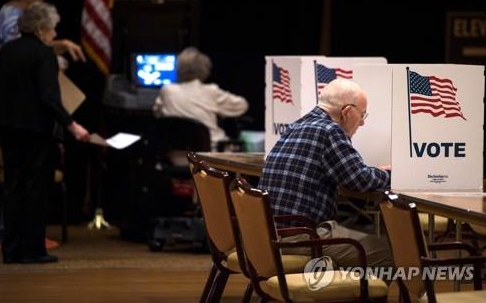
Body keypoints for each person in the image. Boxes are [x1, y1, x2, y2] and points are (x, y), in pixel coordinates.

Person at [258, 78, 392, 269]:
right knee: (388, 252)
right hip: (302, 236)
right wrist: (394, 175)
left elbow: (350, 172)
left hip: (269, 233)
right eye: (362, 115)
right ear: (347, 112)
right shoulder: (330, 131)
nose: (362, 123)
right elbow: (360, 180)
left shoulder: (296, 126)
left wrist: (372, 171)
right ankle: (360, 294)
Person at [0, 2, 89, 264]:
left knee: (12, 188)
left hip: (8, 128)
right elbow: (49, 97)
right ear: (41, 28)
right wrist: (72, 125)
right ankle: (34, 250)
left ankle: (11, 250)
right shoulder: (43, 54)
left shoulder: (7, 50)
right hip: (36, 131)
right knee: (35, 190)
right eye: (53, 28)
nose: (54, 34)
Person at [153, 47, 249, 148]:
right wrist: (221, 111)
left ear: (178, 68)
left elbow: (158, 113)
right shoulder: (211, 91)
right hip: (209, 154)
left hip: (174, 154)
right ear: (205, 69)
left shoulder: (167, 90)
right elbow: (242, 106)